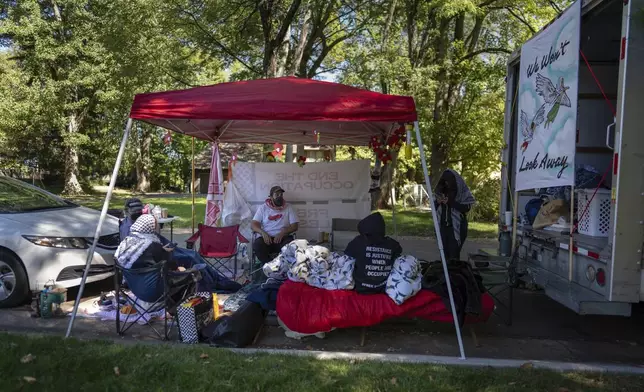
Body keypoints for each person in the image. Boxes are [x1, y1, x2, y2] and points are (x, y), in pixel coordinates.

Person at [344, 212, 403, 294]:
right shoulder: (392, 244)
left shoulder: (358, 241)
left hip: (360, 288)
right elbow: (399, 252)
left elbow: (347, 256)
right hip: (383, 288)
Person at [434, 169, 475, 261]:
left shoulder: (461, 190)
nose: (447, 183)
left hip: (457, 226)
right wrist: (437, 202)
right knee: (443, 253)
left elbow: (466, 207)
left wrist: (451, 202)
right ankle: (444, 273)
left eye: (449, 181)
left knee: (454, 255)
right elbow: (433, 207)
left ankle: (453, 273)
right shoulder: (441, 189)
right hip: (442, 226)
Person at [251, 186, 299, 263]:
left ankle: (282, 266)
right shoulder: (263, 208)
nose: (280, 197)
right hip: (266, 239)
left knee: (291, 246)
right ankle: (270, 266)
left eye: (281, 194)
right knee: (257, 245)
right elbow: (254, 224)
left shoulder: (288, 207)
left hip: (283, 238)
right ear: (271, 197)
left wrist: (283, 233)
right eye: (277, 194)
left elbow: (295, 226)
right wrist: (262, 233)